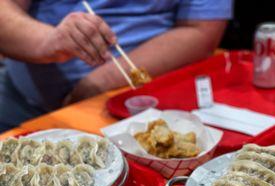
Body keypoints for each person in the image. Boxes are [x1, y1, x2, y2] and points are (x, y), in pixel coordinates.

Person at [0, 0, 233, 132]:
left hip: (143, 111)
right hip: (22, 103)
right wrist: (47, 41)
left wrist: (100, 82)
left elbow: (202, 32)